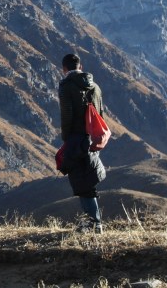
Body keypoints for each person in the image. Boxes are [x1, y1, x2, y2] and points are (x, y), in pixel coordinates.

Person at [58, 52, 106, 233]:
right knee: (87, 180)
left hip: (76, 138)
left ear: (64, 69)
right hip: (92, 138)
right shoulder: (95, 86)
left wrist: (66, 138)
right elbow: (100, 113)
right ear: (81, 66)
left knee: (80, 181)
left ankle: (94, 223)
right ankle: (92, 222)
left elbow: (67, 115)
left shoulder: (67, 86)